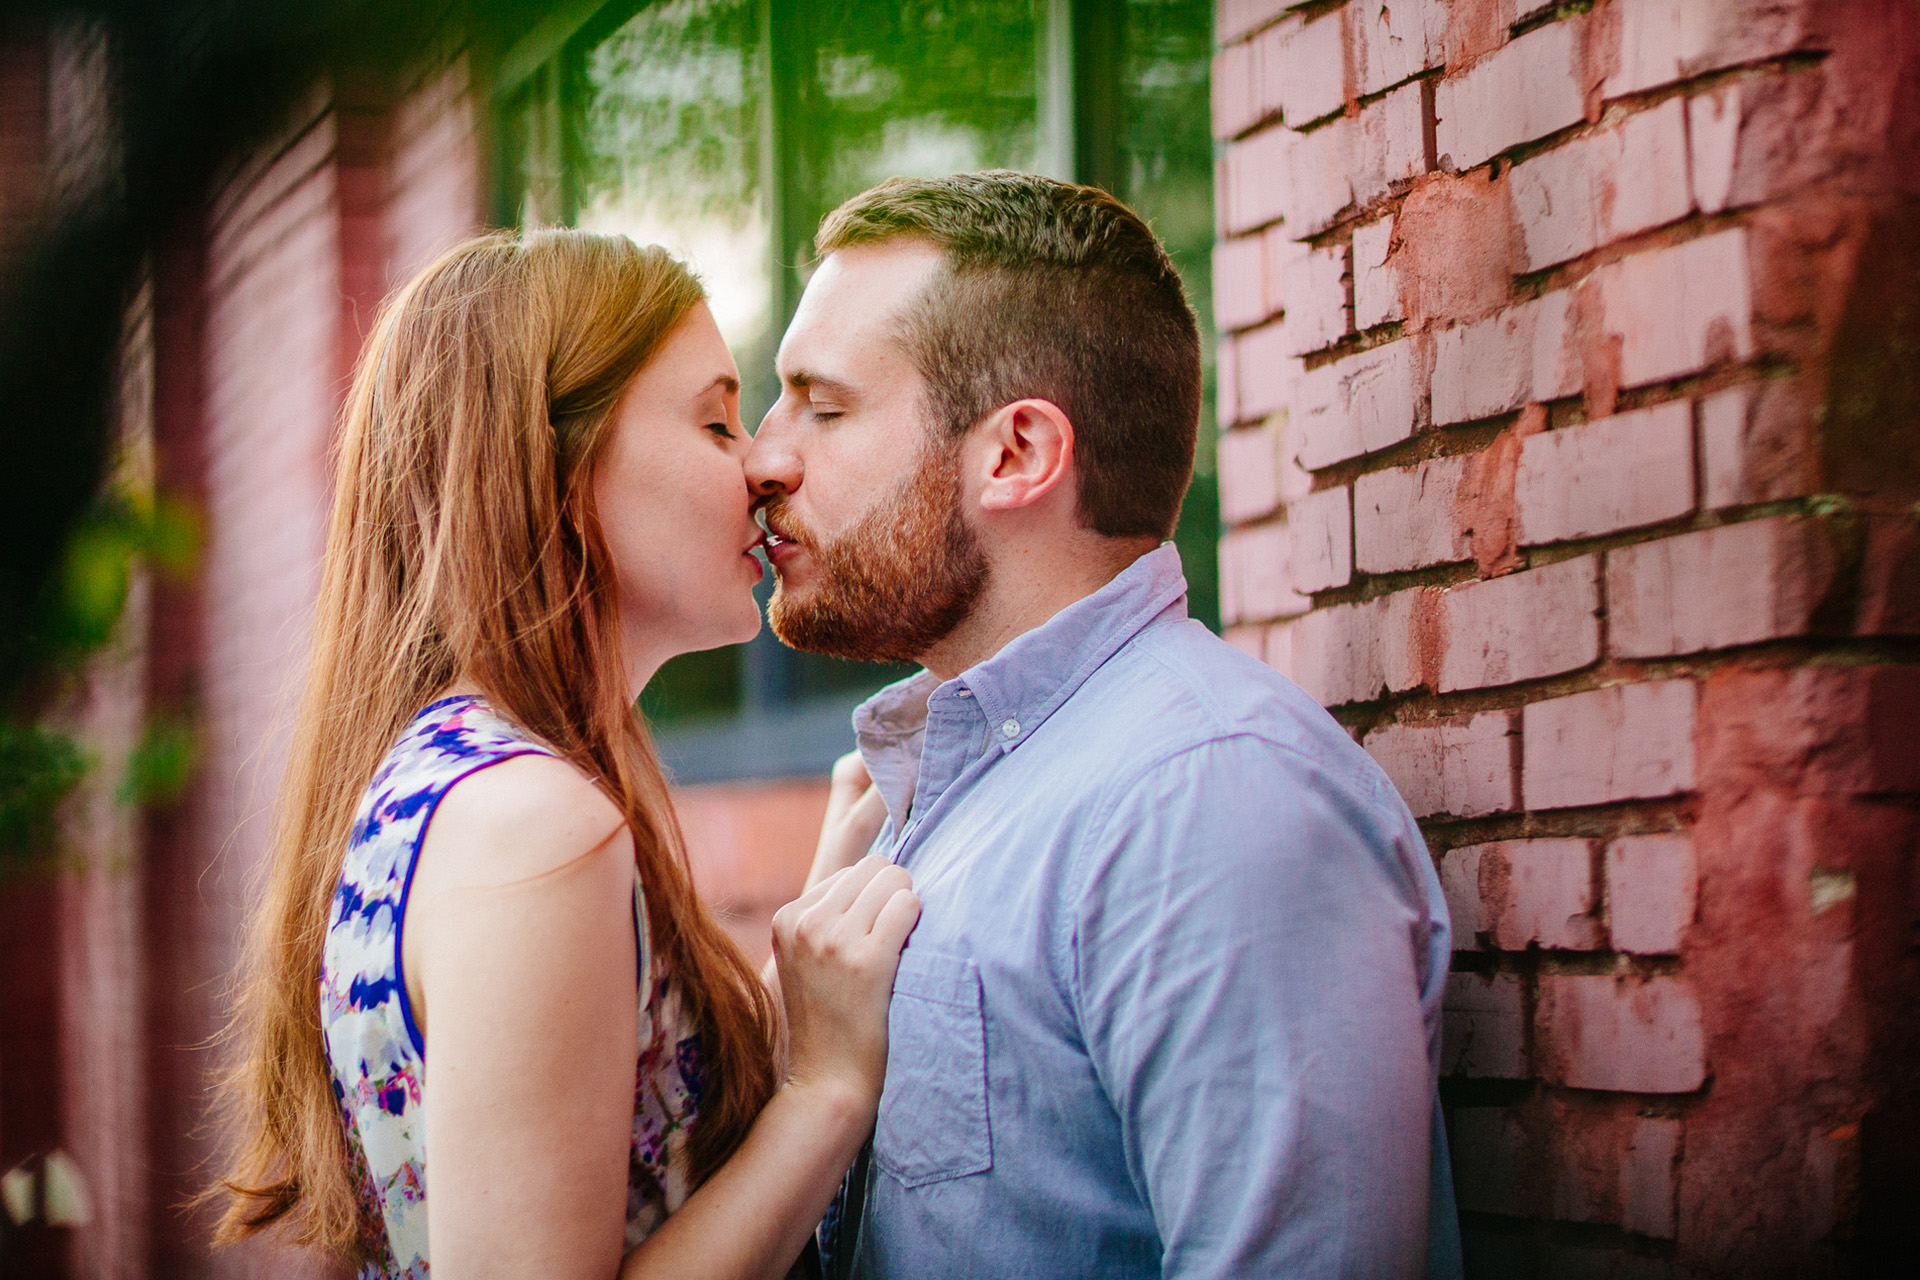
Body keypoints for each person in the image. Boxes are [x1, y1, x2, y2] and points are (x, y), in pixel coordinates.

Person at [746, 171, 1464, 1278]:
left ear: (1018, 453)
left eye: (824, 407)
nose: (763, 457)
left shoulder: (1209, 798)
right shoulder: (950, 787)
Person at [211, 229, 916, 1280]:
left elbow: (634, 1141)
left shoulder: (468, 781)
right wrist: (824, 1098)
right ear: (557, 466)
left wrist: (815, 919)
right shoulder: (530, 825)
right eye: (717, 419)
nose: (769, 459)